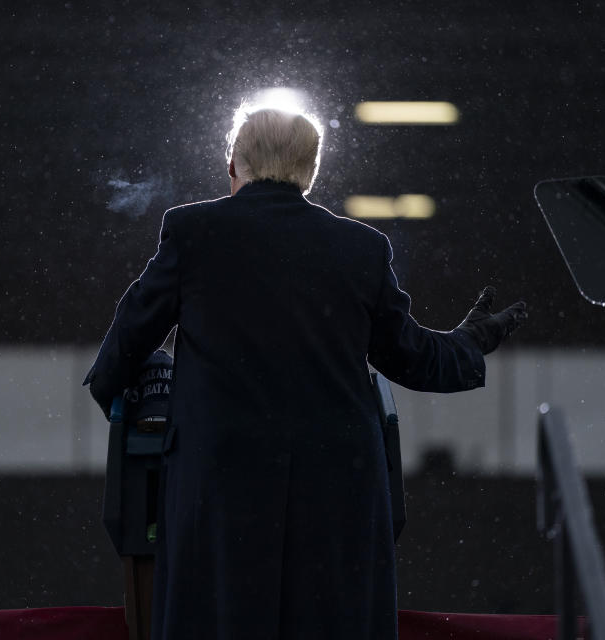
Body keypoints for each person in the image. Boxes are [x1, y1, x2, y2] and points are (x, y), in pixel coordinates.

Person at [84, 103, 526, 639]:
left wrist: (135, 385)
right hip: (337, 494)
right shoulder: (361, 248)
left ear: (232, 165)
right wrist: (472, 339)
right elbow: (412, 358)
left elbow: (124, 347)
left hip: (222, 491)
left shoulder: (193, 231)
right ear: (310, 173)